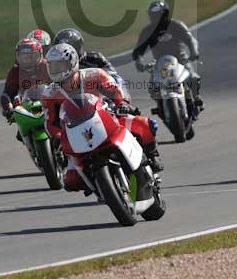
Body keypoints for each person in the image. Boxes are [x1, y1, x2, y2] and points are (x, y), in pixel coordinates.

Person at [42, 43, 163, 192]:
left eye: (59, 65)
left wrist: (122, 103)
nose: (56, 70)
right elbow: (50, 122)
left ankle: (152, 158)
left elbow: (114, 90)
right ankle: (101, 187)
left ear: (72, 62)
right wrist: (58, 137)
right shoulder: (49, 94)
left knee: (144, 125)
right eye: (53, 67)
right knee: (71, 182)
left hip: (107, 118)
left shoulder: (94, 74)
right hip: (76, 133)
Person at [132, 0, 204, 115]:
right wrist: (139, 62)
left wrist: (193, 51)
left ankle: (196, 98)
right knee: (153, 88)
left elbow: (190, 39)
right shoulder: (147, 31)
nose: (157, 19)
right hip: (160, 63)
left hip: (180, 60)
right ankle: (162, 107)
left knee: (193, 78)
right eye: (154, 16)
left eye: (159, 15)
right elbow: (138, 51)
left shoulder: (176, 25)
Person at [53, 27, 131, 102]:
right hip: (68, 107)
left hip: (100, 103)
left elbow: (115, 78)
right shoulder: (52, 66)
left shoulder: (95, 59)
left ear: (78, 47)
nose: (64, 53)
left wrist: (123, 100)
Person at [0, 38, 50, 124]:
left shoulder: (48, 66)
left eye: (31, 56)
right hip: (27, 108)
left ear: (40, 55)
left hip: (49, 104)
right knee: (20, 135)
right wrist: (8, 108)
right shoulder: (15, 71)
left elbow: (60, 84)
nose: (27, 61)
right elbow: (7, 94)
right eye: (24, 57)